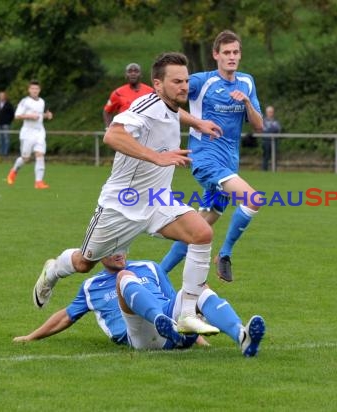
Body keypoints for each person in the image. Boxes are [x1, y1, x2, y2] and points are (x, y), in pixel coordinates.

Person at [32, 52, 223, 336]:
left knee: (202, 233)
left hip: (158, 200)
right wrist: (155, 157)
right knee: (85, 263)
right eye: (176, 81)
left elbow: (172, 113)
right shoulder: (144, 105)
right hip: (123, 205)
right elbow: (113, 135)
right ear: (157, 84)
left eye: (185, 81)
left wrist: (197, 123)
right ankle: (53, 270)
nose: (184, 86)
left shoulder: (168, 104)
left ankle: (186, 314)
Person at [15, 253, 266, 357]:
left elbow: (179, 301)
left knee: (199, 289)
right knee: (124, 279)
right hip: (140, 337)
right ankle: (162, 322)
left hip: (173, 327)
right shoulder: (91, 285)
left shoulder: (149, 267)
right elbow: (66, 316)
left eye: (123, 246)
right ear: (100, 253)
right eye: (113, 248)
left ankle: (241, 336)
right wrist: (31, 337)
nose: (120, 252)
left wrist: (201, 342)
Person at [160, 30, 264, 282]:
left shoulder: (246, 82)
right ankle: (225, 254)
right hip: (205, 159)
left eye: (235, 52)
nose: (231, 57)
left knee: (200, 229)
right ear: (215, 55)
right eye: (226, 52)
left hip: (229, 162)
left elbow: (259, 125)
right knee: (253, 199)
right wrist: (197, 122)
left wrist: (247, 103)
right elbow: (164, 99)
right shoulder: (200, 81)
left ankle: (158, 273)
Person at [6, 80, 53, 189]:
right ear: (29, 90)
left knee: (40, 155)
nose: (34, 90)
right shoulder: (25, 101)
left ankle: (39, 182)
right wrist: (30, 116)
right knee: (25, 158)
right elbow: (17, 115)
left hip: (39, 132)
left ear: (39, 90)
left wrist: (47, 116)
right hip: (27, 133)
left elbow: (40, 115)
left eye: (36, 89)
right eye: (32, 88)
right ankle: (14, 170)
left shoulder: (42, 101)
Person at [103, 63, 154, 128]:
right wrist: (109, 128)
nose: (133, 74)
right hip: (125, 132)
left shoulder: (151, 92)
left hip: (146, 131)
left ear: (141, 74)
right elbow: (107, 111)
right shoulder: (118, 93)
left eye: (136, 71)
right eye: (130, 71)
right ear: (125, 75)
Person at [0, 91, 15, 157]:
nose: (1, 97)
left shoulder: (8, 104)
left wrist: (9, 121)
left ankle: (6, 153)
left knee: (6, 138)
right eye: (0, 95)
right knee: (0, 138)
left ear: (5, 96)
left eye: (3, 95)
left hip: (6, 124)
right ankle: (1, 152)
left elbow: (12, 114)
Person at [261, 105, 281, 171]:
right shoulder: (263, 121)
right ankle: (264, 170)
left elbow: (278, 129)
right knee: (265, 157)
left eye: (271, 112)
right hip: (266, 141)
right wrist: (271, 129)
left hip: (274, 141)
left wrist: (270, 129)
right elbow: (264, 130)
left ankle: (274, 170)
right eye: (269, 112)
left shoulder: (276, 121)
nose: (270, 113)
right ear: (266, 112)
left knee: (274, 157)